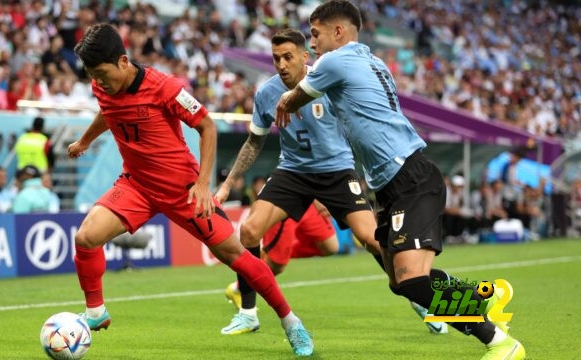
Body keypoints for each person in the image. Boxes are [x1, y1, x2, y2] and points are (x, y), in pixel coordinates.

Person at [275, 2, 525, 359]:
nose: (311, 43)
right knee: (399, 281)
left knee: (411, 279)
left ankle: (499, 341)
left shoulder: (335, 61)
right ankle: (483, 296)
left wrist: (283, 101)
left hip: (410, 177)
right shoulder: (372, 62)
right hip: (394, 184)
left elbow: (297, 96)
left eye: (315, 34)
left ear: (339, 32)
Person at [67, 24, 313, 356]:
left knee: (236, 256)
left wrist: (202, 184)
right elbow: (108, 112)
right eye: (91, 75)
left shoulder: (164, 87)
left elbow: (207, 126)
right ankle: (96, 313)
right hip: (136, 186)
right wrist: (85, 140)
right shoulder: (103, 88)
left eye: (101, 73)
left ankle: (291, 322)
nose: (97, 82)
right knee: (86, 238)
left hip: (182, 190)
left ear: (123, 62)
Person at [215, 28, 446, 336]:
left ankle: (419, 299)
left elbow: (357, 132)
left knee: (373, 239)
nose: (281, 65)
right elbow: (254, 142)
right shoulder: (267, 93)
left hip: (337, 172)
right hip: (293, 172)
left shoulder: (329, 84)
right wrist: (229, 183)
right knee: (248, 230)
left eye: (288, 57)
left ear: (304, 57)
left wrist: (359, 182)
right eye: (275, 59)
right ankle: (247, 312)